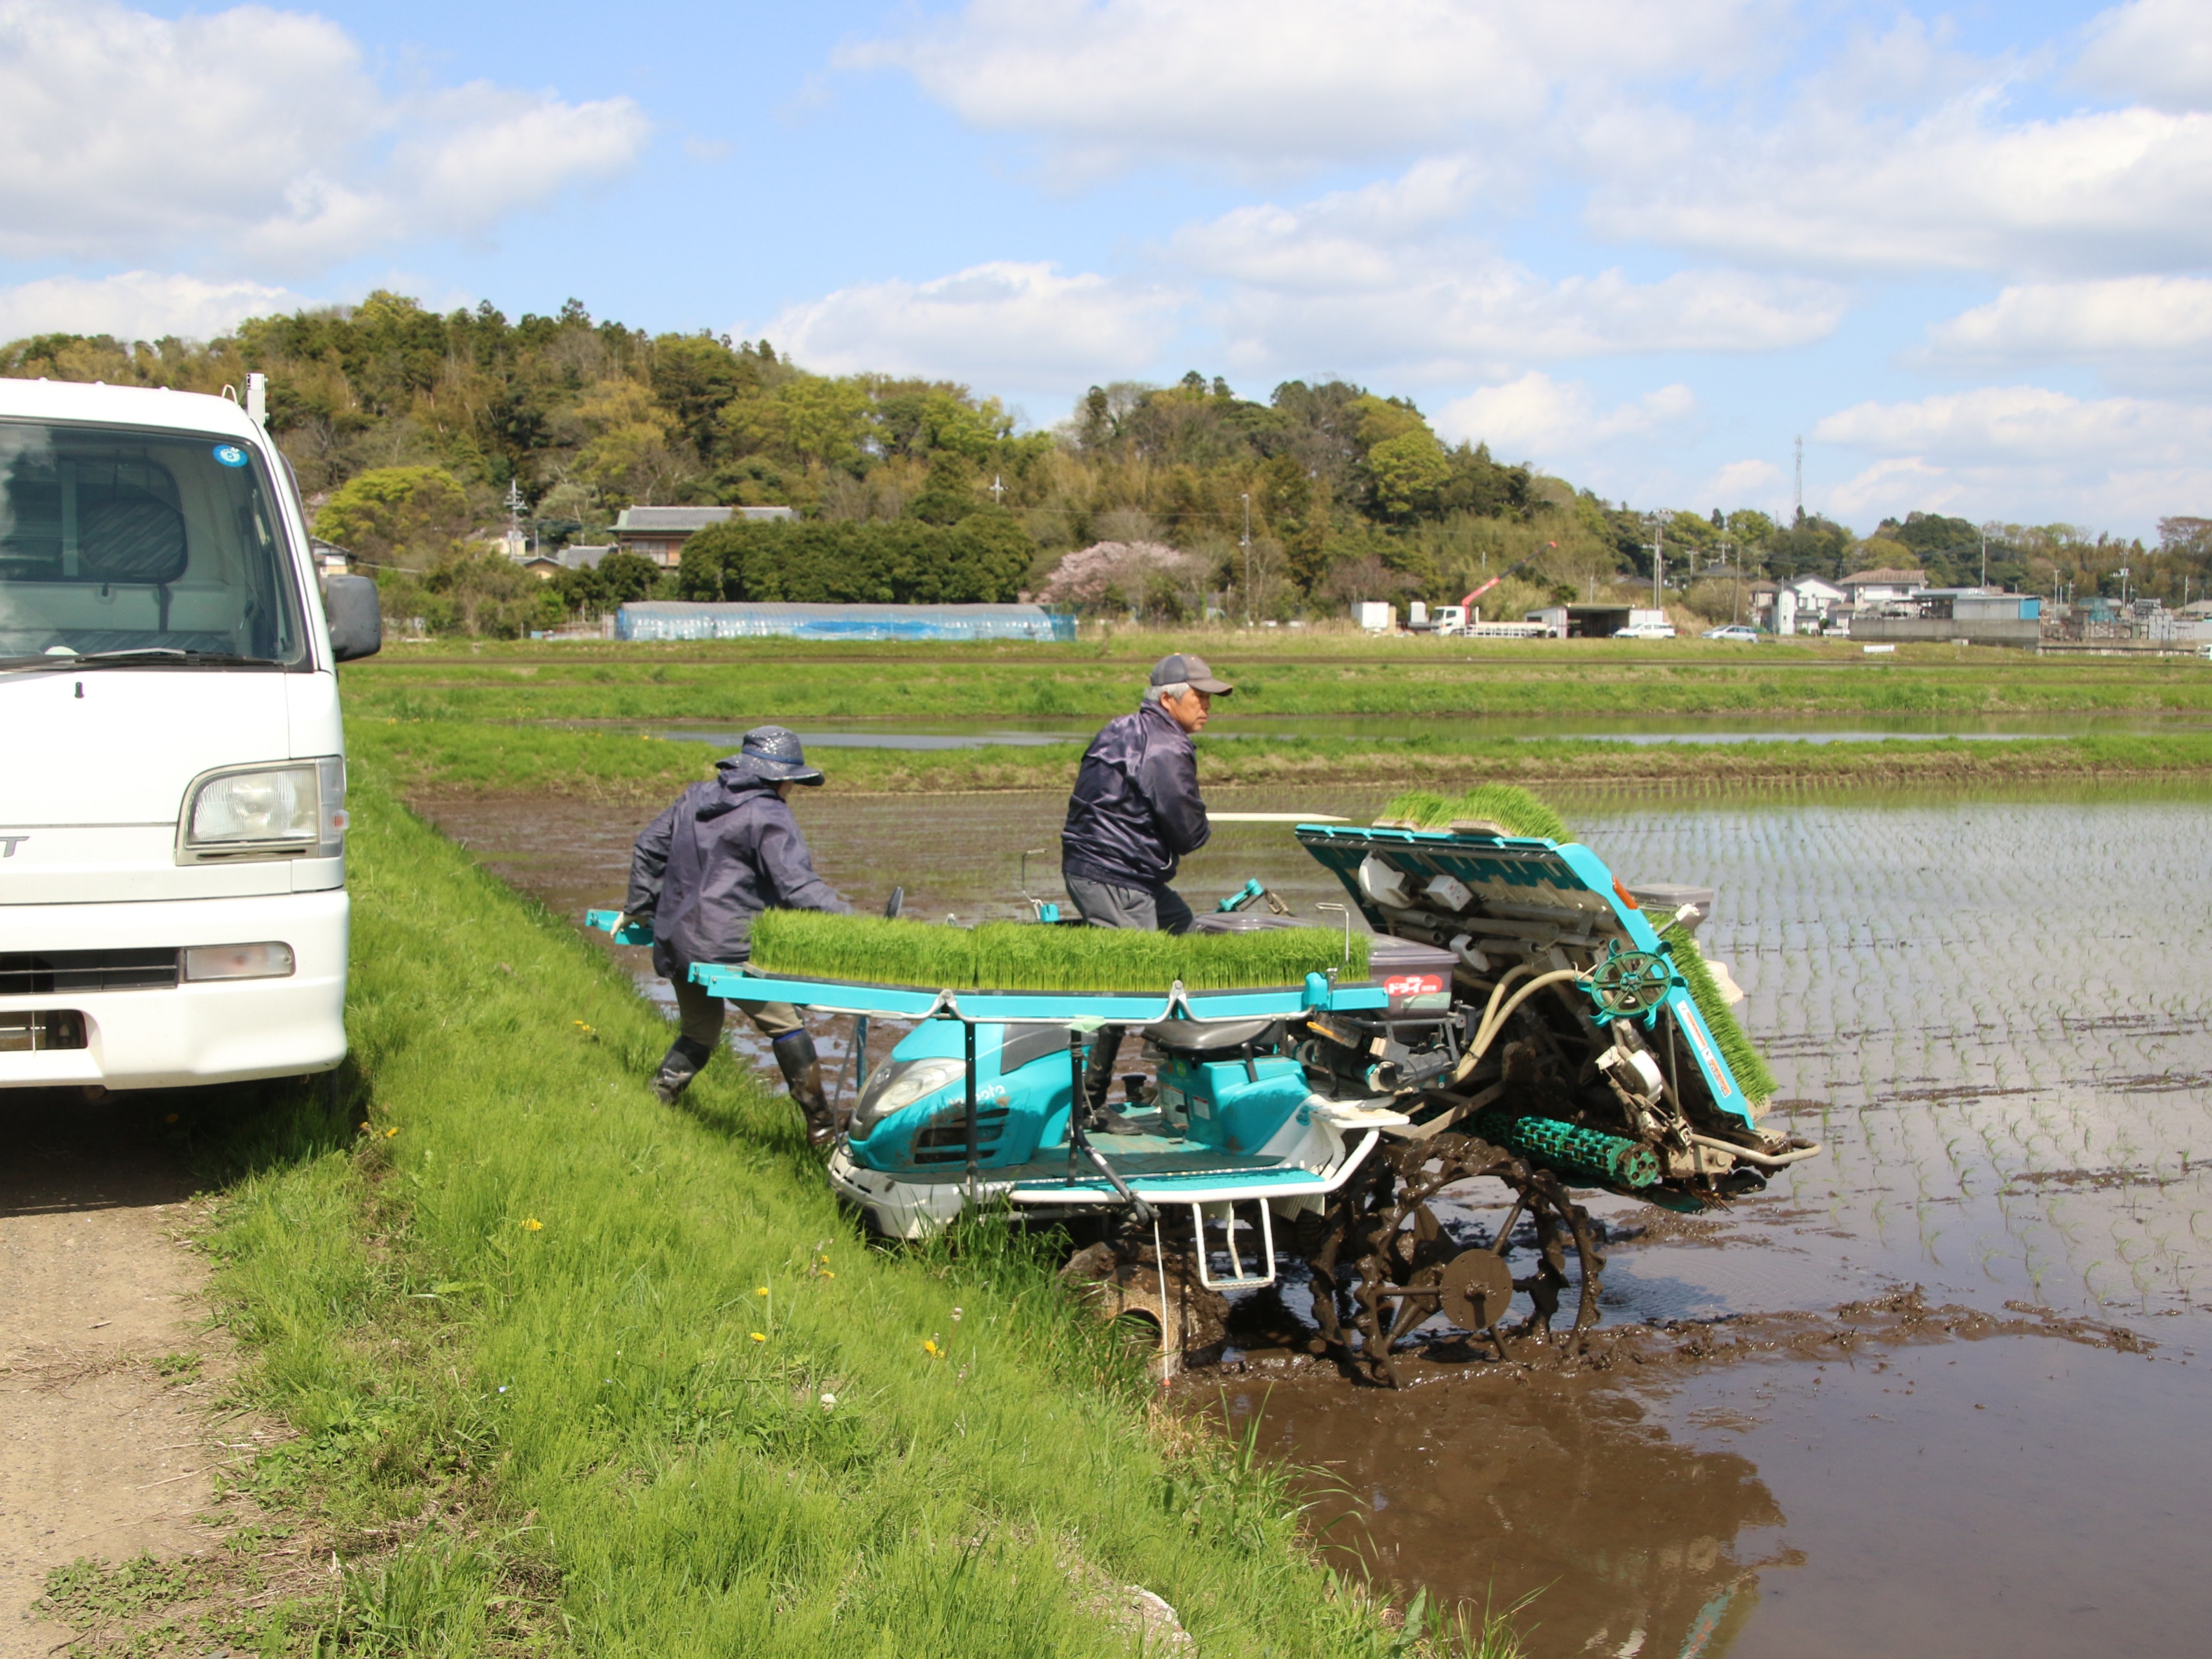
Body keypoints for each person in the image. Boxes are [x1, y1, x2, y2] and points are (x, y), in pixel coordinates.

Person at [622, 725, 852, 1145]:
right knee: (786, 1025)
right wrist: (854, 924)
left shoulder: (695, 796)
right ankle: (821, 1125)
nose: (791, 791)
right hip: (729, 950)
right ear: (779, 778)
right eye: (791, 783)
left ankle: (655, 1103)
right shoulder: (769, 813)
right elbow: (797, 886)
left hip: (678, 941)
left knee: (699, 1032)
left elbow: (648, 846)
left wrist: (640, 908)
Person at [1058, 652, 1234, 1120]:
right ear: (1167, 699)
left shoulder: (1121, 727)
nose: (1208, 707)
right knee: (1123, 986)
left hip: (1103, 867)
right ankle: (1085, 1105)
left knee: (1183, 936)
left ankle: (1184, 1070)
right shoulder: (1166, 747)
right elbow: (1188, 831)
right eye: (1200, 697)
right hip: (1116, 875)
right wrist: (1198, 832)